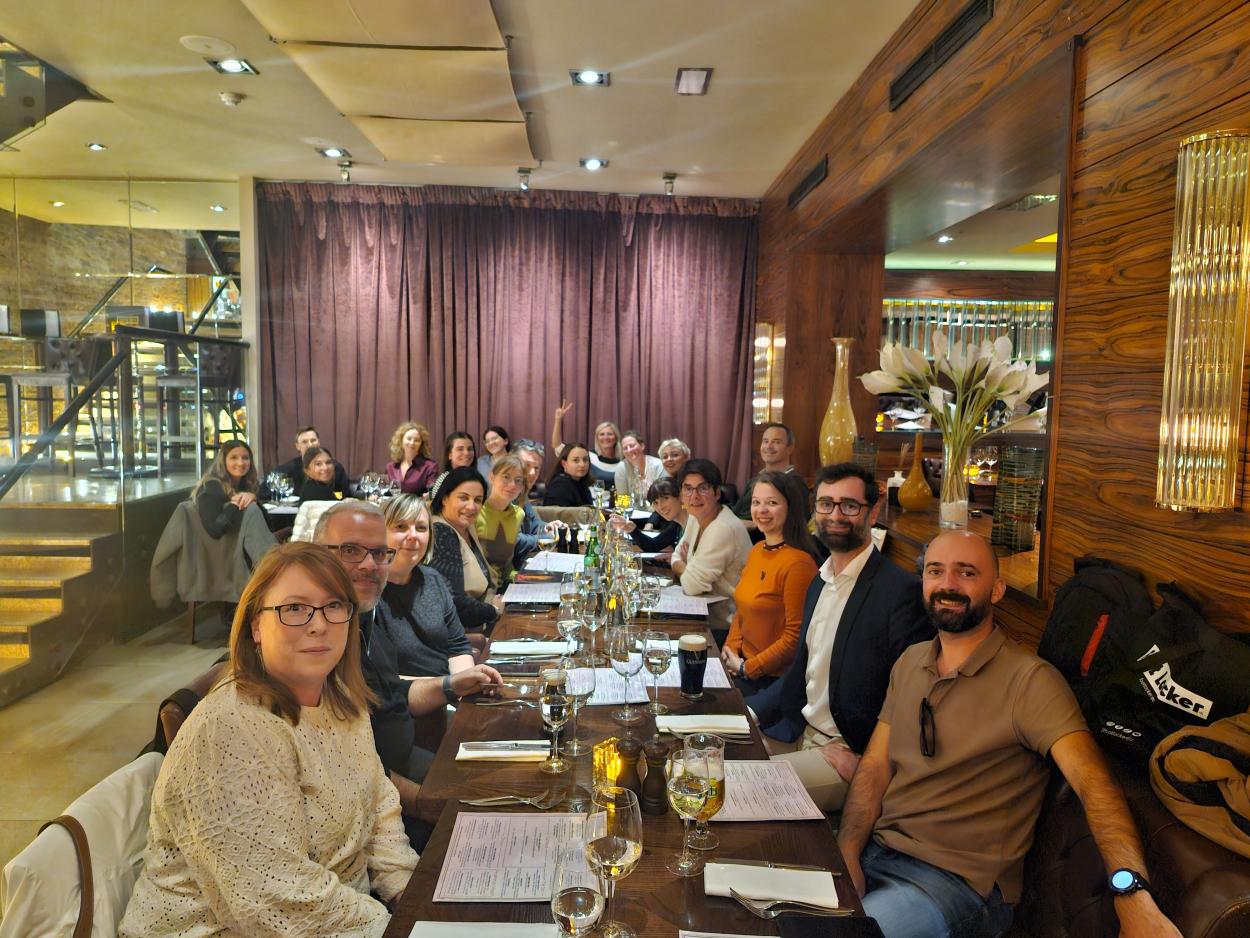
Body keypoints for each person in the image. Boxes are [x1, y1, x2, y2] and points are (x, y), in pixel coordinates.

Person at [838, 530, 1182, 938]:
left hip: (956, 885)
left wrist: (1132, 895)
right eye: (936, 571)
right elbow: (875, 767)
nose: (948, 584)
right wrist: (847, 850)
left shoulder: (1030, 681)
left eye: (966, 573)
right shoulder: (912, 661)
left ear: (996, 590)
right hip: (878, 852)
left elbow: (1096, 785)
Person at [118, 542, 417, 936]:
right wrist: (393, 925)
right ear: (256, 625)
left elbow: (378, 803)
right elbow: (276, 901)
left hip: (344, 916)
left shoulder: (341, 698)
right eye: (294, 608)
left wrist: (407, 890)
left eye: (333, 606)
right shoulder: (230, 729)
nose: (318, 624)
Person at [746, 462, 931, 810]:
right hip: (798, 731)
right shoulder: (820, 579)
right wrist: (746, 712)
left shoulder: (900, 592)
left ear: (873, 511)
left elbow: (911, 696)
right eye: (826, 503)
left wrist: (868, 761)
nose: (835, 515)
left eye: (849, 505)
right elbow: (802, 672)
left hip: (845, 753)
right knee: (700, 758)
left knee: (741, 792)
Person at [312, 500, 502, 829]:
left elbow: (392, 693)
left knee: (502, 788)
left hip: (405, 760)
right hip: (379, 795)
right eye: (350, 550)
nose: (370, 564)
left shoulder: (360, 616)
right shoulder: (315, 640)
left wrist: (451, 684)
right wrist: (421, 802)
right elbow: (340, 764)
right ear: (316, 555)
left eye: (378, 553)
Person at [720, 472, 820, 695]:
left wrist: (748, 668)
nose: (761, 510)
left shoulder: (798, 563)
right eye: (756, 502)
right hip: (741, 664)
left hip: (771, 681)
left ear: (790, 507)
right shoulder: (757, 550)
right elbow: (741, 610)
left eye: (772, 503)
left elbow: (795, 638)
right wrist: (730, 650)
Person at [378, 494, 475, 678]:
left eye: (421, 528)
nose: (413, 535)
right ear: (379, 533)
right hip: (401, 701)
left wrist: (464, 685)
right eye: (401, 526)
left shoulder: (433, 579)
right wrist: (446, 687)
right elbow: (377, 680)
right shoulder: (368, 592)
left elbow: (458, 647)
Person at [670, 459, 753, 632]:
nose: (695, 496)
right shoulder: (695, 515)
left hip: (729, 626)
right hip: (703, 615)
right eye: (688, 489)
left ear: (717, 493)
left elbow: (691, 585)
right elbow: (676, 555)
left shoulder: (723, 528)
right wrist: (686, 568)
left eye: (703, 488)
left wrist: (684, 568)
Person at [424, 467, 502, 632]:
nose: (471, 506)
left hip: (483, 624)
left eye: (478, 500)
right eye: (463, 498)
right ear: (445, 498)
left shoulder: (466, 527)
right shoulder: (442, 533)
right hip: (462, 636)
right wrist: (493, 610)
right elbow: (454, 604)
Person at [733, 422, 806, 530]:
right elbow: (735, 512)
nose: (768, 446)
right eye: (765, 441)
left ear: (790, 448)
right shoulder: (756, 479)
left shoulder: (794, 482)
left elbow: (798, 524)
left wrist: (756, 525)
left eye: (776, 442)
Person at [475, 454, 528, 587]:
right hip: (479, 588)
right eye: (506, 477)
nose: (512, 485)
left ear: (522, 488)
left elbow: (505, 566)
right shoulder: (475, 511)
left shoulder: (518, 514)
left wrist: (521, 578)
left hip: (504, 586)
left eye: (518, 480)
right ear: (492, 477)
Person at [193, 440, 259, 538]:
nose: (241, 463)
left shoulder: (247, 484)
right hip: (222, 549)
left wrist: (254, 498)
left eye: (245, 458)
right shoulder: (212, 486)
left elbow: (267, 523)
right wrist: (236, 504)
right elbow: (215, 530)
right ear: (223, 461)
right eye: (234, 458)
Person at [550, 397, 622, 487]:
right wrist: (558, 420)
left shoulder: (624, 461)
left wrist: (618, 501)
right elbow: (557, 446)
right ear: (597, 438)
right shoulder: (588, 456)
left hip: (620, 500)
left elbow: (629, 490)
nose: (606, 437)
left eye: (610, 434)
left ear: (616, 437)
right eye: (602, 434)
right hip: (591, 500)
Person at [267, 425, 349, 498]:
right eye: (304, 442)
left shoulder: (335, 467)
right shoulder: (288, 469)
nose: (310, 445)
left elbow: (344, 494)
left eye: (313, 440)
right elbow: (266, 490)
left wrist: (336, 497)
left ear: (319, 442)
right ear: (297, 446)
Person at [627, 478, 686, 552]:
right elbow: (653, 545)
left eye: (665, 498)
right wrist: (632, 529)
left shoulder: (694, 523)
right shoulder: (676, 524)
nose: (661, 507)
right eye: (656, 503)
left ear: (680, 497)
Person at [613, 429, 665, 504]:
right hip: (632, 512)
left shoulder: (658, 465)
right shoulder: (621, 468)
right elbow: (622, 499)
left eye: (632, 446)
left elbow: (663, 497)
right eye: (625, 448)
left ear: (642, 446)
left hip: (658, 510)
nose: (629, 450)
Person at [385, 421, 437, 495]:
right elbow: (385, 492)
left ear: (421, 444)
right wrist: (375, 495)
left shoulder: (430, 466)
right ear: (401, 442)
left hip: (417, 506)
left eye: (416, 440)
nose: (412, 443)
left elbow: (432, 492)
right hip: (395, 506)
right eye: (409, 439)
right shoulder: (390, 467)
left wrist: (429, 495)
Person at [543, 442, 595, 507]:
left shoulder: (581, 483)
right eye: (576, 460)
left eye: (585, 459)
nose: (582, 464)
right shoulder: (560, 486)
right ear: (564, 464)